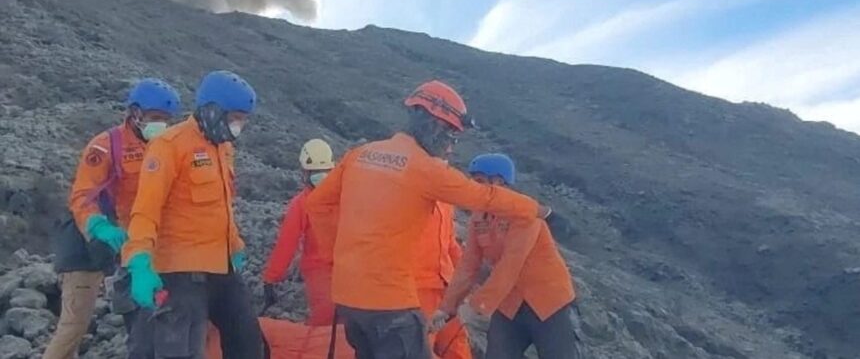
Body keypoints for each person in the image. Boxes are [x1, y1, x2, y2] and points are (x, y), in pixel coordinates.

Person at [305, 80, 553, 359]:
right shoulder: (424, 169)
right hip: (391, 304)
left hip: (348, 298)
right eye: (451, 135)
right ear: (435, 124)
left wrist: (339, 254)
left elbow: (317, 203)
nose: (450, 145)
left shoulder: (359, 155)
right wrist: (539, 210)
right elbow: (485, 197)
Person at [122, 70, 265, 359]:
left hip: (222, 266)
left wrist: (234, 246)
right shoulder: (169, 146)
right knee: (182, 350)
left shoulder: (223, 148)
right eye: (235, 117)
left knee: (248, 342)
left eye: (243, 119)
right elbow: (145, 210)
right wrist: (139, 261)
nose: (239, 126)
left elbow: (222, 206)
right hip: (181, 272)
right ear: (212, 111)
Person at [45, 78, 180, 359]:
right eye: (156, 118)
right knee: (74, 326)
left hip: (136, 243)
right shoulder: (105, 146)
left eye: (166, 120)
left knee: (148, 320)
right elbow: (82, 195)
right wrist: (97, 226)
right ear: (135, 113)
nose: (161, 125)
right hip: (91, 244)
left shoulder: (164, 146)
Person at [430, 153, 581, 359]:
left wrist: (477, 306)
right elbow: (468, 265)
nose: (475, 188)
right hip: (509, 305)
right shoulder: (478, 217)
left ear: (499, 182)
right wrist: (447, 308)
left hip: (549, 302)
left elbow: (511, 264)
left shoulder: (525, 213)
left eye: (481, 182)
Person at [261, 138, 337, 326]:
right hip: (335, 269)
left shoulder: (304, 202)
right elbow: (287, 244)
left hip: (334, 270)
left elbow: (286, 244)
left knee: (334, 321)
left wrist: (270, 279)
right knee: (334, 320)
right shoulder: (344, 194)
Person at [415, 200, 473, 359]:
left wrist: (464, 282)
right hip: (420, 290)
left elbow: (451, 244)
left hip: (447, 290)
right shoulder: (408, 198)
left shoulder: (446, 203)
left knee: (458, 344)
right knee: (423, 346)